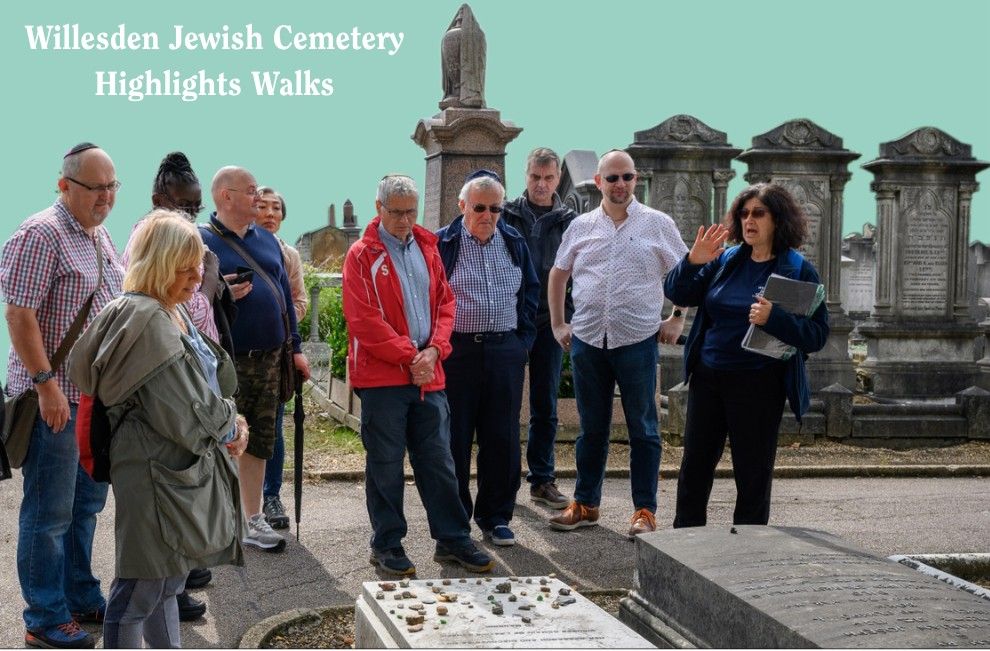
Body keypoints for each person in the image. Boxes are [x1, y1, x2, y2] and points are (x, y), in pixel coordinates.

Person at [68, 211, 248, 649]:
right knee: (137, 594)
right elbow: (186, 414)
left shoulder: (165, 310)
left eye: (198, 265)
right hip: (157, 474)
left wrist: (228, 422)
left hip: (170, 473)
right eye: (183, 266)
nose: (195, 275)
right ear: (157, 263)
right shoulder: (148, 318)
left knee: (165, 585)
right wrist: (232, 424)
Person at [1, 143, 124, 649]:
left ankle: (78, 593)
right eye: (96, 187)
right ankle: (44, 617)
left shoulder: (99, 234)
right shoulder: (40, 233)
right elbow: (19, 315)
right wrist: (46, 384)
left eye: (113, 186)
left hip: (92, 400)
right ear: (64, 185)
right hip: (54, 398)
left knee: (85, 507)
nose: (107, 197)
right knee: (48, 514)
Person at [342, 174, 494, 576]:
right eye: (396, 213)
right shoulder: (361, 255)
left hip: (429, 375)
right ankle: (387, 544)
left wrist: (435, 350)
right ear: (379, 209)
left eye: (411, 212)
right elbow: (364, 321)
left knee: (438, 461)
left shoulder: (428, 247)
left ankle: (452, 539)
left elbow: (446, 303)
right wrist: (413, 357)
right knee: (386, 464)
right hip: (384, 378)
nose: (405, 221)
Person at [664, 183, 829, 528]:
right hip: (708, 378)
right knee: (694, 468)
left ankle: (748, 554)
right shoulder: (727, 259)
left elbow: (816, 336)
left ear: (778, 219)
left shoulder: (798, 270)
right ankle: (686, 545)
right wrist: (693, 260)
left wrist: (776, 319)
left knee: (752, 474)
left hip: (759, 384)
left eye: (758, 213)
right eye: (744, 213)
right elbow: (679, 291)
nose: (748, 220)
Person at [547, 150, 688, 538]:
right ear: (598, 182)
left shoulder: (657, 224)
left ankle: (644, 510)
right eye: (612, 178)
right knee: (591, 428)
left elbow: (687, 273)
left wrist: (678, 317)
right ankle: (587, 504)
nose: (620, 184)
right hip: (588, 339)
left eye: (626, 177)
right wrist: (560, 323)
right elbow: (559, 275)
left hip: (637, 340)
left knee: (643, 428)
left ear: (636, 179)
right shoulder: (581, 226)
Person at [122, 152, 216, 620]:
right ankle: (169, 593)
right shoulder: (152, 241)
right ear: (160, 199)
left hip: (196, 389)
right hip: (170, 402)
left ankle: (176, 584)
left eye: (196, 208)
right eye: (183, 205)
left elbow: (199, 311)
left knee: (188, 497)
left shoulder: (186, 240)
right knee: (168, 507)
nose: (190, 215)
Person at [200, 166, 311, 554]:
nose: (258, 199)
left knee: (260, 440)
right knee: (221, 439)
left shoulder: (267, 241)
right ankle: (218, 522)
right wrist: (221, 292)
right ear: (225, 197)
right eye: (249, 192)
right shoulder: (200, 241)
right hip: (224, 362)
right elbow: (187, 301)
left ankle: (252, 520)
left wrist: (295, 349)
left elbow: (286, 302)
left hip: (271, 358)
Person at [436, 170, 539, 546]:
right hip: (458, 352)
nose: (487, 215)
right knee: (454, 440)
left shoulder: (513, 242)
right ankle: (456, 521)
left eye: (495, 208)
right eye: (479, 207)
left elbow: (530, 291)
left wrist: (521, 342)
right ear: (462, 205)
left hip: (504, 351)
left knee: (503, 439)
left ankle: (496, 517)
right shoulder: (442, 244)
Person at [501, 147, 578, 510]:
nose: (542, 185)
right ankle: (502, 478)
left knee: (544, 404)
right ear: (526, 175)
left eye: (549, 178)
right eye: (535, 177)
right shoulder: (506, 215)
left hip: (551, 323)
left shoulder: (570, 220)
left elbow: (579, 271)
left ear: (558, 178)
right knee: (504, 403)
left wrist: (570, 316)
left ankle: (542, 479)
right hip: (512, 323)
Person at [255, 186, 309, 530]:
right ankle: (234, 502)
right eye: (262, 206)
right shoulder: (226, 247)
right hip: (236, 355)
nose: (270, 213)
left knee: (273, 428)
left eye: (276, 208)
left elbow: (300, 303)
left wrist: (273, 318)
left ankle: (271, 496)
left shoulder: (287, 255)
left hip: (276, 355)